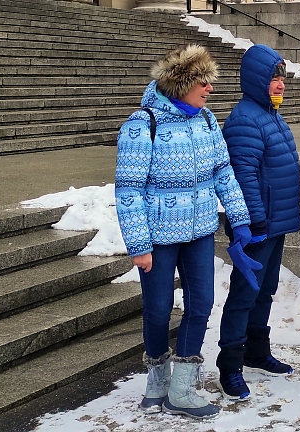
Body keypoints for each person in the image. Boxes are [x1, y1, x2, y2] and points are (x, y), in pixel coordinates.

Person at [114, 45, 253, 419]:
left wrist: (239, 220)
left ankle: (182, 387)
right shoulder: (142, 124)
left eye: (210, 83)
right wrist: (139, 245)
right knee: (158, 310)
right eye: (203, 83)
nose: (209, 90)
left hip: (200, 232)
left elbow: (223, 172)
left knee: (201, 305)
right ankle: (157, 378)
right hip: (158, 238)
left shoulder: (207, 120)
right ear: (180, 85)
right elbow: (128, 190)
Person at [216, 44, 300, 400]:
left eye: (282, 77)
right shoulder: (245, 119)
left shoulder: (270, 114)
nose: (280, 84)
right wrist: (255, 221)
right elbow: (244, 175)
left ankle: (256, 350)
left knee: (264, 290)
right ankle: (230, 366)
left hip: (276, 223)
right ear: (256, 80)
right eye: (273, 78)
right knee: (244, 293)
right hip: (257, 226)